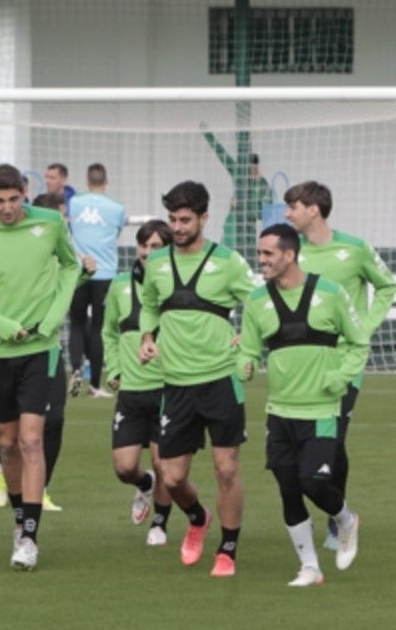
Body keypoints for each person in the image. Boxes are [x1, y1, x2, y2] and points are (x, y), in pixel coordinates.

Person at [0, 164, 80, 571]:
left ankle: (29, 535)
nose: (8, 208)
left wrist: (52, 318)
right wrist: (4, 326)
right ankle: (19, 519)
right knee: (7, 443)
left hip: (41, 349)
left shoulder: (49, 223)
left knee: (31, 441)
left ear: (25, 193)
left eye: (14, 199)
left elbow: (70, 266)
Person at [237, 223, 366, 586]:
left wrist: (342, 377)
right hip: (279, 412)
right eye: (259, 252)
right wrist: (243, 363)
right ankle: (309, 567)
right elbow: (248, 347)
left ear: (290, 255)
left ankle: (345, 519)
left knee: (312, 482)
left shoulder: (331, 293)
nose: (260, 259)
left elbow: (358, 344)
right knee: (288, 488)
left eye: (267, 253)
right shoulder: (257, 301)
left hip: (322, 410)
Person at [138, 181, 255, 577]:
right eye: (172, 219)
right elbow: (150, 306)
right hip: (176, 381)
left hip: (222, 378)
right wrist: (147, 336)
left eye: (185, 219)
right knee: (171, 477)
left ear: (205, 217)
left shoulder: (229, 262)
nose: (178, 226)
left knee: (226, 469)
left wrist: (250, 339)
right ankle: (198, 517)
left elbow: (260, 301)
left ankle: (227, 550)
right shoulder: (156, 263)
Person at [283, 181, 395, 549]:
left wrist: (366, 324)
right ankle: (325, 513)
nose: (288, 214)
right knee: (301, 446)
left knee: (333, 439)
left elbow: (387, 286)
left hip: (346, 360)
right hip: (304, 363)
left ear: (313, 209)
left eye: (293, 206)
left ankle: (337, 518)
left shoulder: (355, 248)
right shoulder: (292, 253)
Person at [101, 220, 175, 546]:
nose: (148, 252)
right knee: (124, 468)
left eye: (157, 246)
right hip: (131, 390)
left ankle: (160, 523)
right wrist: (115, 369)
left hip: (166, 388)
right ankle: (144, 485)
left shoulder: (177, 284)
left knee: (164, 463)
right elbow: (108, 332)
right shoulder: (119, 285)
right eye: (144, 245)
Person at [68, 163, 127, 398]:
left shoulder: (74, 204)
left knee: (76, 323)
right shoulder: (117, 208)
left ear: (87, 180)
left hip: (80, 271)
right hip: (105, 273)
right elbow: (117, 233)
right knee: (100, 329)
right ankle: (95, 385)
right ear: (107, 180)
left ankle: (74, 370)